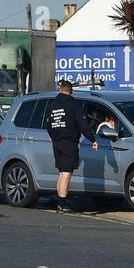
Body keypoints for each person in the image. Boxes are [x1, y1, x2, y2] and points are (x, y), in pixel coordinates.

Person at [46, 80, 98, 213]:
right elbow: (82, 123)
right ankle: (62, 204)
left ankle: (59, 202)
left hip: (56, 142)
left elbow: (49, 124)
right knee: (67, 174)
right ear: (71, 91)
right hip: (69, 142)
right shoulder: (73, 104)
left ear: (60, 89)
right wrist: (92, 139)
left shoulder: (52, 105)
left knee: (61, 173)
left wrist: (53, 137)